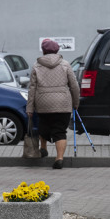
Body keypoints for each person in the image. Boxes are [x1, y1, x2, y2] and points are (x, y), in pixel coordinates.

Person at [26, 39, 80, 169]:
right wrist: (75, 103)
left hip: (43, 103)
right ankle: (59, 158)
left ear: (44, 51)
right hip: (63, 103)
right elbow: (74, 86)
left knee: (43, 127)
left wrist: (30, 107)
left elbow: (32, 88)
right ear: (57, 50)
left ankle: (43, 147)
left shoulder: (36, 66)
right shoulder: (66, 64)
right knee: (60, 131)